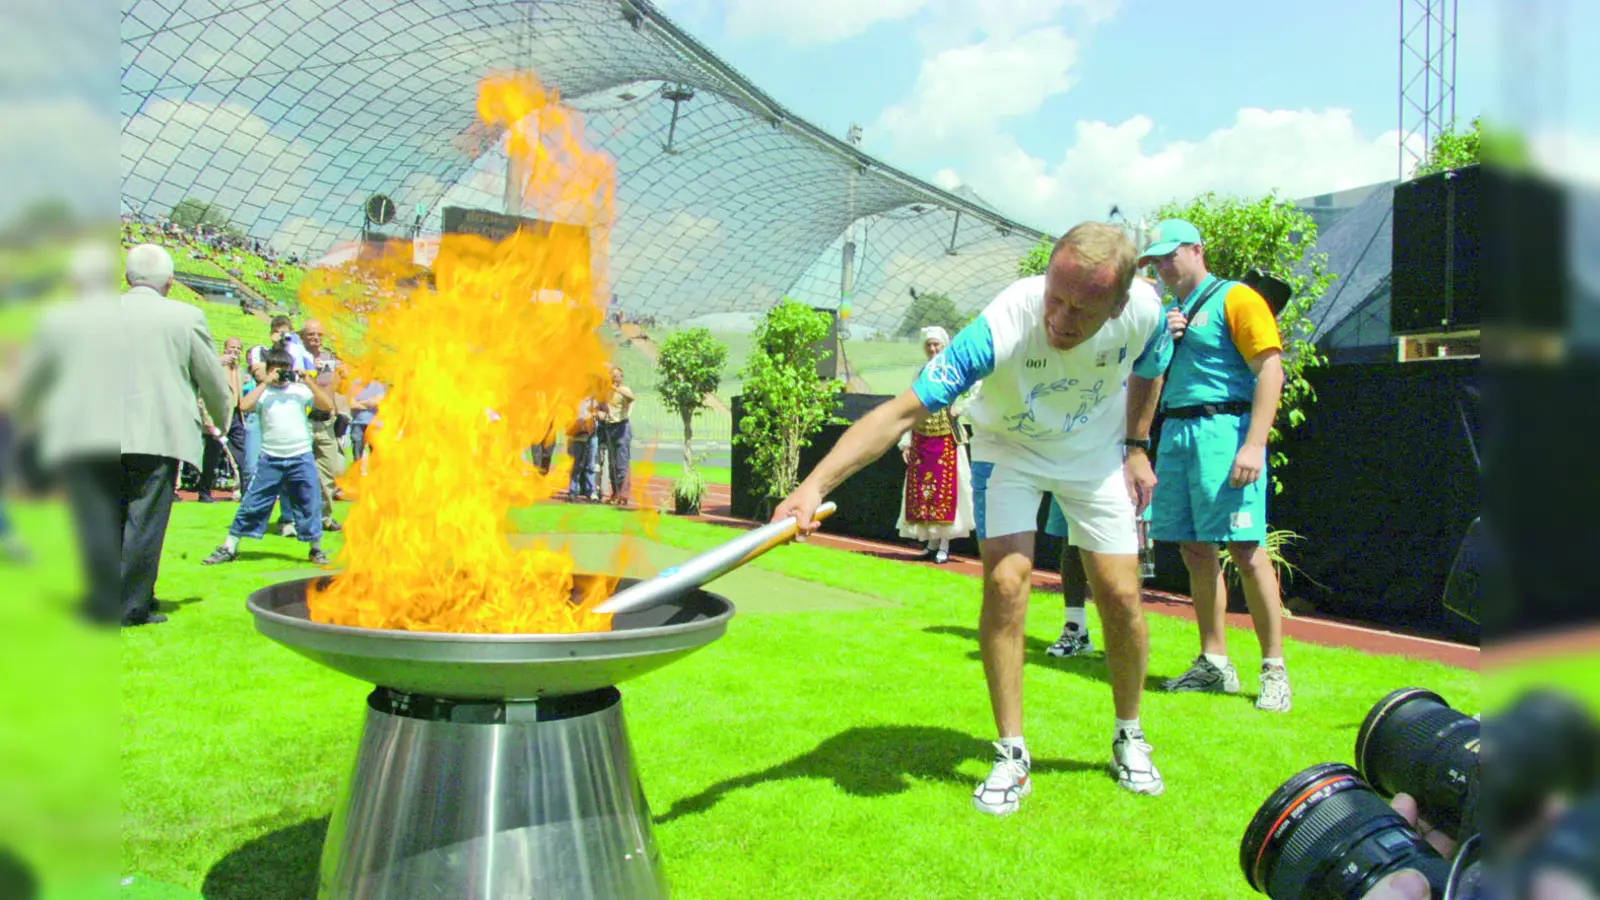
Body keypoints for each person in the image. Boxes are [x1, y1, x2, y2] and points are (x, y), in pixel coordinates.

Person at [773, 222, 1171, 812]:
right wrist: (811, 486)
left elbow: (1151, 364)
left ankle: (1128, 734)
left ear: (1117, 305)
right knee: (1007, 582)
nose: (1059, 318)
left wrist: (1136, 445)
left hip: (1091, 455)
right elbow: (899, 413)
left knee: (1120, 595)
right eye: (1053, 297)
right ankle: (1011, 751)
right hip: (1009, 448)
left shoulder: (1144, 312)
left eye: (1080, 309)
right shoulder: (1005, 323)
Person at [19, 243, 231, 626]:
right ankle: (132, 605)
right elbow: (213, 382)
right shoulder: (186, 317)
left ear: (127, 278)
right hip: (157, 434)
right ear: (169, 282)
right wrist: (223, 419)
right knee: (144, 521)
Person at [1139, 219, 1292, 713]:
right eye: (1156, 260)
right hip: (1178, 434)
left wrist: (1253, 445)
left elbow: (1270, 368)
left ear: (1196, 250)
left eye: (1170, 255)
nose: (1163, 266)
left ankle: (1273, 669)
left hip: (1225, 433)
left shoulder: (1239, 298)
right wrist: (1164, 336)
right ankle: (1214, 662)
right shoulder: (1168, 314)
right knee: (1194, 549)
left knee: (1247, 550)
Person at [201, 347, 335, 566]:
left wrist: (307, 381)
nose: (281, 376)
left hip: (300, 456)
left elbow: (327, 406)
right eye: (276, 371)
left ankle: (316, 549)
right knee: (253, 502)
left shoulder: (300, 390)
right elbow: (243, 406)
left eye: (285, 371)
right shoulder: (263, 392)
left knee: (310, 503)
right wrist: (266, 382)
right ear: (268, 370)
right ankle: (229, 546)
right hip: (271, 459)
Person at [894, 325, 975, 564]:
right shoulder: (921, 372)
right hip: (922, 438)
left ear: (944, 345)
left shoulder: (955, 370)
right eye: (929, 345)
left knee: (946, 492)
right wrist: (906, 442)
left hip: (947, 439)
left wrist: (961, 408)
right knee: (924, 492)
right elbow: (912, 406)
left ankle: (945, 544)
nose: (932, 349)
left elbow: (979, 391)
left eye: (936, 344)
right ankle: (931, 543)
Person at [597, 366, 635, 506]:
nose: (613, 378)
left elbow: (632, 398)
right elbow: (600, 407)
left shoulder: (624, 390)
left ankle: (623, 496)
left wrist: (616, 388)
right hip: (609, 427)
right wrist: (599, 413)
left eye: (616, 376)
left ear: (621, 377)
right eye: (611, 376)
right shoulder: (605, 392)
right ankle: (615, 493)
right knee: (612, 463)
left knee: (622, 463)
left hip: (622, 427)